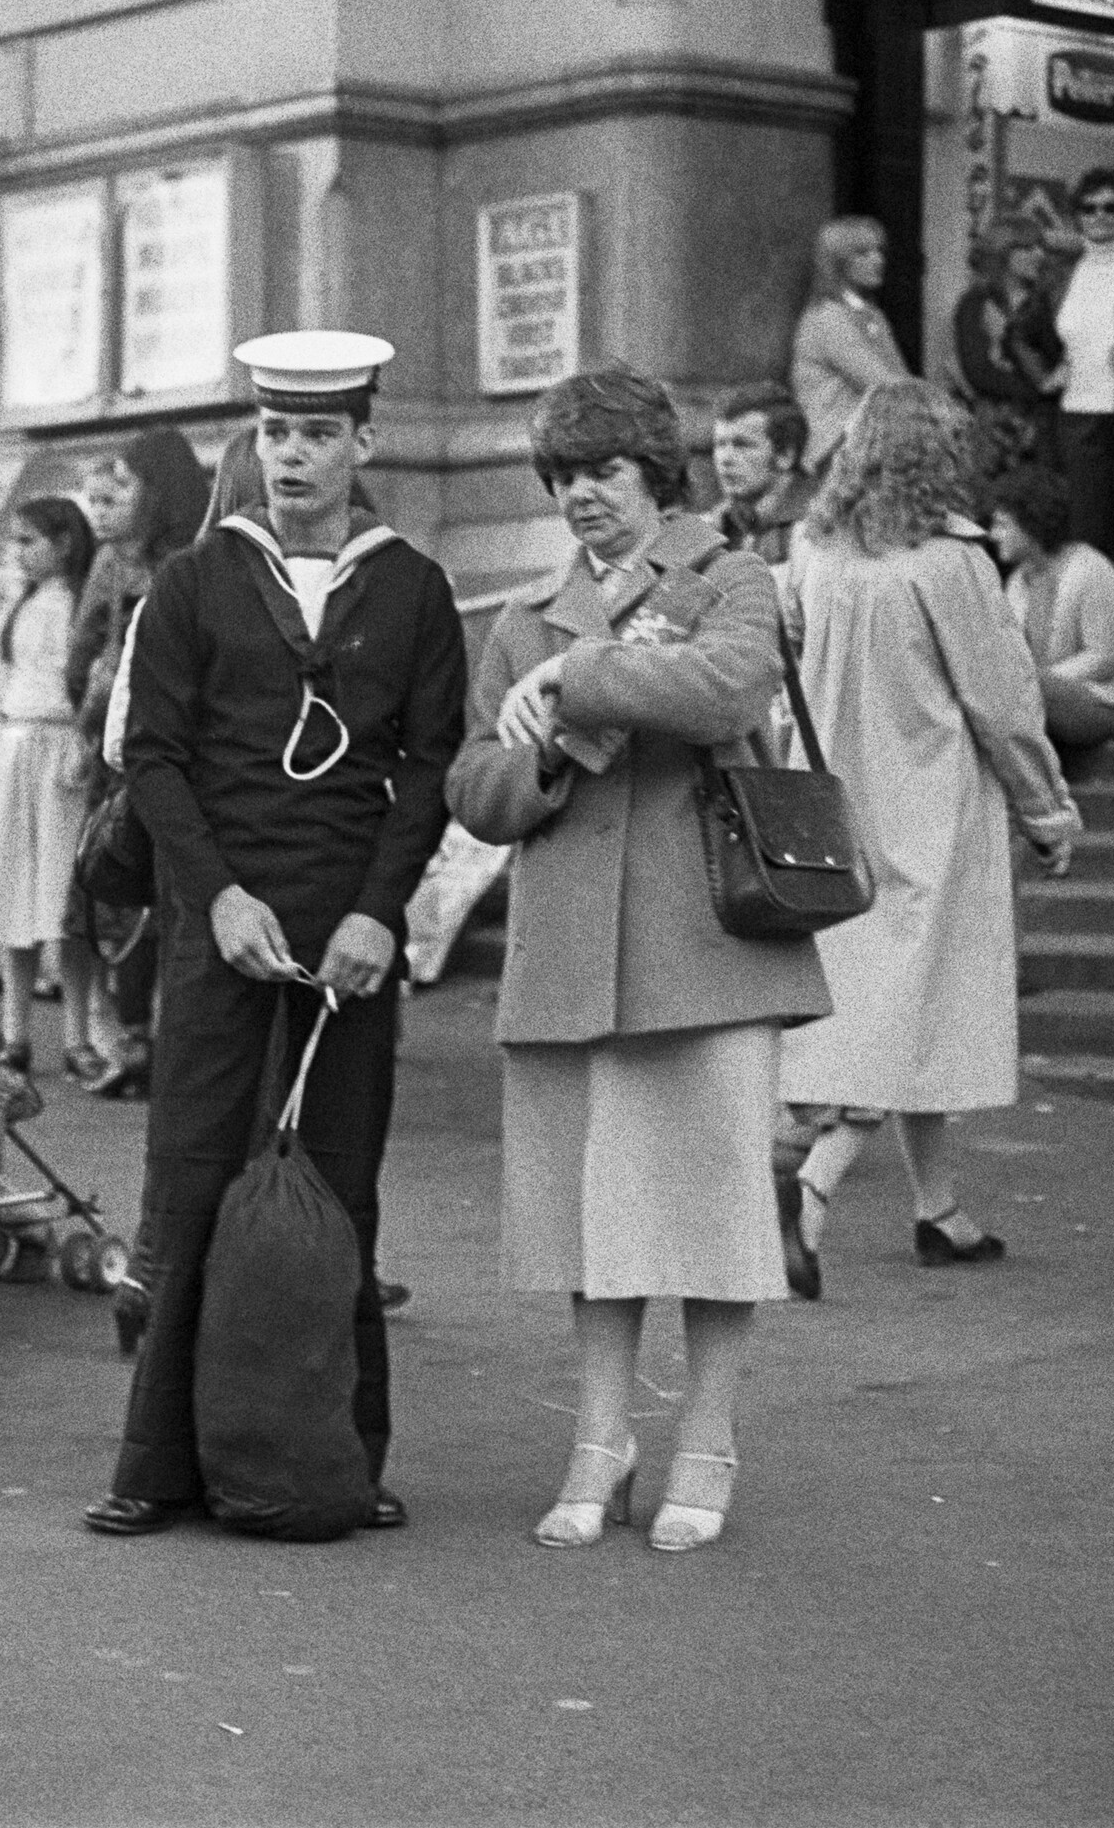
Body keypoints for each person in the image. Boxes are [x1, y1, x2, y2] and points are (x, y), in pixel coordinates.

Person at [82, 328, 466, 1539]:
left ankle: (337, 1460)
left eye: (317, 434)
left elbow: (429, 764)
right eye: (276, 433)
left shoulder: (411, 586)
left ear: (365, 442)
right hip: (220, 932)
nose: (292, 457)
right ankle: (159, 1465)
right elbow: (154, 757)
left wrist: (377, 914)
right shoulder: (194, 582)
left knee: (340, 1190)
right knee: (194, 1172)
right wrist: (218, 899)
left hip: (350, 940)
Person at [446, 362, 828, 1554]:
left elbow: (729, 688)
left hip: (704, 945)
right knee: (592, 1227)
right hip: (569, 957)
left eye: (604, 472)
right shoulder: (521, 617)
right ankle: (599, 1445)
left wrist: (576, 681)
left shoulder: (729, 577)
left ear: (657, 473)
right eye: (562, 477)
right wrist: (546, 753)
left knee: (712, 1214)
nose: (582, 498)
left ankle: (706, 1440)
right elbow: (474, 785)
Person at [775, 382, 1080, 1296]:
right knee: (903, 1013)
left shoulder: (812, 549)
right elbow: (1003, 701)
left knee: (902, 1006)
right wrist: (1047, 808)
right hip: (929, 809)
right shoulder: (951, 562)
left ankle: (939, 1209)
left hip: (831, 806)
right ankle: (813, 1189)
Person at [64, 428, 212, 1097]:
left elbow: (81, 656)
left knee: (140, 892)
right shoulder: (193, 558)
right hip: (166, 749)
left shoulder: (141, 565)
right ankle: (147, 1037)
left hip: (137, 748)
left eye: (128, 482)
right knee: (148, 894)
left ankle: (139, 1038)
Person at [0, 494, 96, 1072]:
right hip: (16, 748)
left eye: (28, 541)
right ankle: (16, 1031)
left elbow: (90, 681)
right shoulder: (24, 606)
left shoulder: (81, 606)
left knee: (66, 901)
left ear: (63, 543)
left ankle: (78, 1034)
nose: (18, 552)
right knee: (17, 893)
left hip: (63, 749)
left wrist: (85, 744)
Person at [1017, 166, 1114, 640]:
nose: (1100, 216)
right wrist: (1046, 375)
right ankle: (1093, 658)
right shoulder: (1060, 275)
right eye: (1089, 207)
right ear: (1077, 215)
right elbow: (1019, 334)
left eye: (1111, 207)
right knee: (1087, 551)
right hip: (1077, 424)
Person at [988, 461, 1114, 751]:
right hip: (1043, 698)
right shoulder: (1016, 582)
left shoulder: (1091, 570)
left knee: (1021, 689)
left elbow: (1103, 659)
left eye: (1002, 525)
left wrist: (1033, 680)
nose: (993, 535)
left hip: (1107, 702)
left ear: (1031, 523)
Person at [788, 216, 911, 473]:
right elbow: (879, 382)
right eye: (863, 253)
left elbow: (900, 377)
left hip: (866, 440)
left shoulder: (871, 314)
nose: (878, 260)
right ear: (838, 262)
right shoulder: (829, 316)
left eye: (879, 251)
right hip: (833, 447)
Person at [950, 219, 1059, 485]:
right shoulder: (975, 303)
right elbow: (979, 373)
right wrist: (1041, 390)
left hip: (1047, 430)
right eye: (1028, 247)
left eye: (1041, 246)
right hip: (995, 427)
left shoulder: (1047, 304)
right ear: (1002, 253)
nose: (1039, 254)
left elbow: (1057, 360)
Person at [707, 382, 813, 566]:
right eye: (720, 444)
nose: (725, 459)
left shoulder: (818, 525)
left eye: (742, 445)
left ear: (785, 456)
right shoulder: (716, 526)